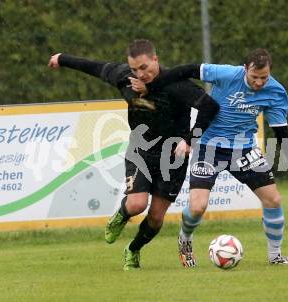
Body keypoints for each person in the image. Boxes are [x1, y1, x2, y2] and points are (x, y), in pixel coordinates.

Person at [48, 39, 219, 270]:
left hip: (173, 157)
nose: (140, 73)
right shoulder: (125, 77)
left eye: (145, 68)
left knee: (157, 217)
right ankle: (121, 215)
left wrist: (189, 139)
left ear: (155, 60)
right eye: (135, 69)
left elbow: (210, 106)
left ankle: (133, 249)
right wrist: (62, 58)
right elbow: (95, 67)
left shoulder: (178, 85)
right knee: (137, 204)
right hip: (142, 150)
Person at [140, 48, 288, 267]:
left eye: (264, 78)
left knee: (273, 199)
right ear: (244, 69)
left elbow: (282, 132)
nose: (259, 82)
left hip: (244, 149)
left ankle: (275, 256)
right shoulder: (226, 74)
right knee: (197, 207)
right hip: (208, 147)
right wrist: (153, 86)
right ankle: (185, 239)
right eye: (254, 77)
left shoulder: (276, 92)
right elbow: (188, 70)